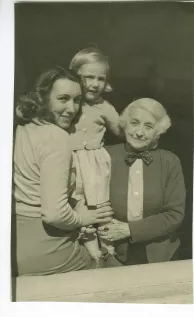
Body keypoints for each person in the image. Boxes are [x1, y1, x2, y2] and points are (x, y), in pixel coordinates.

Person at [12, 66, 113, 276]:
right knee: (109, 269)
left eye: (77, 100)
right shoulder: (56, 137)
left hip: (15, 246)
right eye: (63, 99)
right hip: (49, 249)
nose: (72, 108)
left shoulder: (22, 130)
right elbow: (55, 214)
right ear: (43, 98)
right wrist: (83, 219)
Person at [98, 98, 186, 266]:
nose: (139, 132)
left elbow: (174, 215)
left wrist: (129, 229)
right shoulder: (105, 156)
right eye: (135, 123)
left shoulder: (170, 162)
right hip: (113, 251)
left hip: (160, 254)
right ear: (125, 124)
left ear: (158, 132)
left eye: (148, 126)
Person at [69, 47, 122, 265]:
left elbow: (121, 131)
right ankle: (90, 245)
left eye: (100, 78)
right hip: (70, 160)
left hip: (93, 161)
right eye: (89, 77)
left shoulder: (105, 107)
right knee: (77, 200)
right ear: (76, 77)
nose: (95, 83)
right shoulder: (71, 101)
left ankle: (108, 244)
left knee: (99, 201)